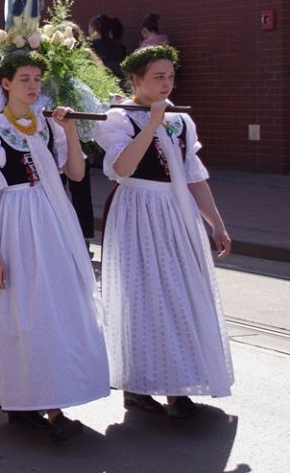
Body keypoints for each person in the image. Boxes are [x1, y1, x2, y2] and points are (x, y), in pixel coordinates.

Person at [0, 50, 108, 443]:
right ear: (6, 84)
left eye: (37, 79)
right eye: (24, 79)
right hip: (14, 224)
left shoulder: (47, 128)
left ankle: (45, 400)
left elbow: (76, 173)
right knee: (23, 310)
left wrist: (72, 129)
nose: (33, 86)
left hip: (50, 221)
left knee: (54, 307)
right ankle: (36, 403)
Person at [94, 45, 233, 419]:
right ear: (136, 80)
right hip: (139, 210)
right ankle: (138, 385)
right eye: (158, 76)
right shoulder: (119, 118)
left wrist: (216, 223)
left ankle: (178, 384)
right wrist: (152, 123)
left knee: (183, 295)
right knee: (144, 297)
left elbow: (193, 176)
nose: (166, 83)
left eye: (170, 76)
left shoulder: (182, 120)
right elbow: (122, 168)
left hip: (176, 214)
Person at [88, 14, 127, 81]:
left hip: (100, 82)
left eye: (89, 27)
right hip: (120, 82)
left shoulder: (91, 46)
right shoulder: (120, 46)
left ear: (94, 28)